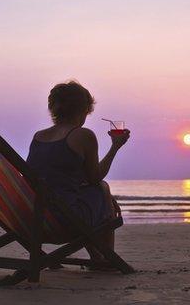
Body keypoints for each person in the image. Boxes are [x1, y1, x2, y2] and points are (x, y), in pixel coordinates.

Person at [26, 80, 130, 267]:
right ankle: (105, 259)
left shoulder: (38, 137)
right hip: (64, 222)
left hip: (33, 220)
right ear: (84, 110)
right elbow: (95, 177)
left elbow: (55, 175)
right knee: (101, 187)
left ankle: (97, 256)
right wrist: (115, 146)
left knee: (93, 193)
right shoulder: (83, 135)